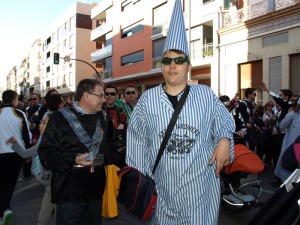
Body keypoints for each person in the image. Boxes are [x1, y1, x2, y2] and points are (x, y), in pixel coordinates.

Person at [126, 1, 235, 224]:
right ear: (162, 66)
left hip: (200, 191)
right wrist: (148, 177)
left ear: (188, 65)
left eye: (179, 59)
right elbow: (136, 141)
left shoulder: (204, 94)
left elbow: (224, 121)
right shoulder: (147, 100)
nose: (172, 65)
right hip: (163, 192)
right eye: (167, 60)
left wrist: (224, 139)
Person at [38, 79, 111, 225]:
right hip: (69, 193)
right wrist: (73, 159)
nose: (104, 99)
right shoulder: (59, 118)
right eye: (100, 95)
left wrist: (109, 159)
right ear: (86, 95)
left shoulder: (103, 117)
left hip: (95, 191)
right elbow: (46, 153)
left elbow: (111, 146)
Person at [6, 112, 55, 225]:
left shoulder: (58, 142)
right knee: (44, 216)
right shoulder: (43, 140)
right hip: (50, 186)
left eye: (44, 122)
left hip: (59, 187)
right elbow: (25, 154)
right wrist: (15, 143)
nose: (40, 125)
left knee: (57, 216)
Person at [0, 90, 31, 225]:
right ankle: (5, 209)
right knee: (11, 184)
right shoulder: (20, 114)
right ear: (14, 100)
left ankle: (4, 211)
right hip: (16, 154)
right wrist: (27, 155)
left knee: (1, 183)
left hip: (0, 154)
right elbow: (26, 136)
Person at [274, 97, 300, 182]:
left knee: (287, 163)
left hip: (291, 145)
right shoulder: (293, 114)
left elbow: (281, 126)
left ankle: (286, 186)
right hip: (294, 145)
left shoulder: (292, 114)